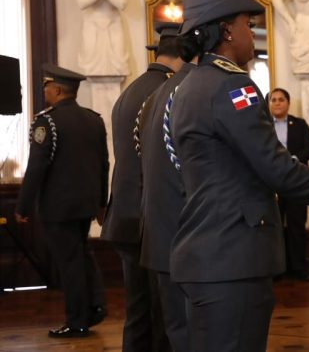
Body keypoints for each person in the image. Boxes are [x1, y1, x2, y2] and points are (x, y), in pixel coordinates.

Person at [164, 0, 309, 352]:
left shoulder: (189, 85)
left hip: (205, 253)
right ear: (227, 29)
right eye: (248, 24)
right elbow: (277, 168)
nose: (253, 33)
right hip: (233, 256)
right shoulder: (234, 87)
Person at [101, 22, 184, 351]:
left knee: (139, 314)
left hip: (125, 216)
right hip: (152, 220)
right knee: (161, 317)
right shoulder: (167, 91)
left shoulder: (132, 89)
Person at [15, 63, 109, 338]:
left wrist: (23, 206)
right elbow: (103, 165)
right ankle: (95, 307)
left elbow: (37, 167)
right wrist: (101, 204)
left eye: (46, 85)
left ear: (57, 89)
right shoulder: (94, 119)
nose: (44, 89)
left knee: (70, 263)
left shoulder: (47, 122)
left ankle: (77, 320)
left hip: (59, 208)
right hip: (87, 204)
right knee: (82, 255)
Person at [138, 33, 197, 352]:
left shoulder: (151, 96)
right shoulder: (185, 93)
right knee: (190, 330)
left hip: (158, 227)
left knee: (175, 327)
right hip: (185, 231)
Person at [268, 87, 309, 281]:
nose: (278, 103)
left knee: (297, 226)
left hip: (296, 181)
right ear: (269, 104)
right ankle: (277, 269)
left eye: (281, 99)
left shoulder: (300, 124)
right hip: (272, 184)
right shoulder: (263, 126)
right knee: (274, 227)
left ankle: (299, 268)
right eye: (274, 100)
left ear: (288, 103)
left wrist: (293, 159)